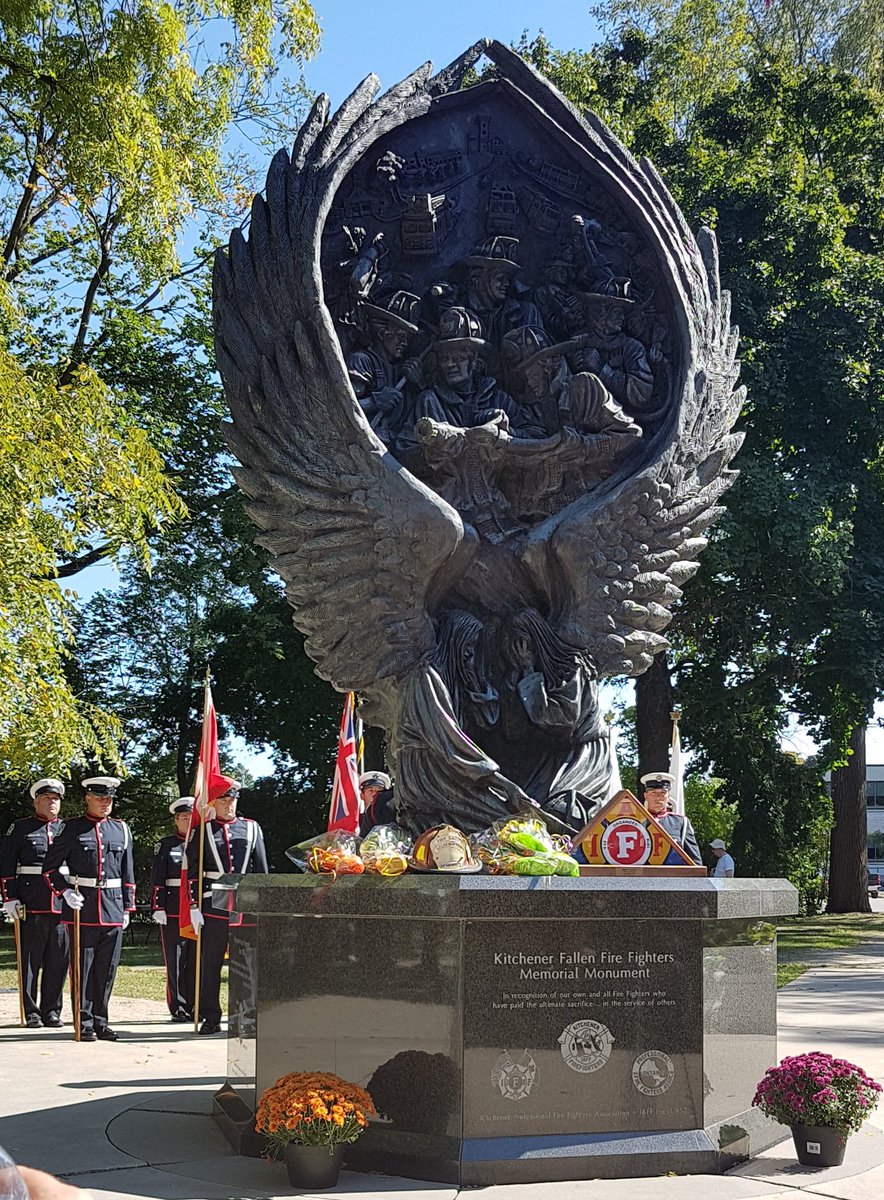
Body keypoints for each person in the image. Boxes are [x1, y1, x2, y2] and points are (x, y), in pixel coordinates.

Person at [42, 777, 135, 1042]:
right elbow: (49, 867)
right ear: (88, 798)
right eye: (100, 798)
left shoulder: (122, 830)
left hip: (113, 907)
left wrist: (127, 907)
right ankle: (83, 1022)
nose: (106, 803)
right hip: (83, 908)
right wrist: (65, 891)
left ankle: (101, 1021)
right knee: (83, 970)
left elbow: (127, 872)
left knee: (107, 971)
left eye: (109, 799)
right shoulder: (71, 829)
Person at [187, 778, 269, 1036]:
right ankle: (210, 1016)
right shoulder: (203, 832)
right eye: (223, 800)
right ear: (214, 803)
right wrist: (193, 904)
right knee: (210, 963)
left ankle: (246, 1016)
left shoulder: (252, 829)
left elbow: (262, 870)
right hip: (213, 905)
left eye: (231, 800)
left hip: (244, 905)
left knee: (246, 964)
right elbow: (192, 872)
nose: (228, 804)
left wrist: (262, 905)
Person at [0, 778, 70, 1028]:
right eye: (46, 799)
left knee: (58, 960)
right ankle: (31, 1011)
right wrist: (9, 897)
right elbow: (6, 864)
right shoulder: (20, 828)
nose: (52, 803)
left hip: (62, 904)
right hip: (32, 902)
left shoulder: (67, 828)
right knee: (30, 960)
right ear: (35, 801)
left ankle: (52, 1010)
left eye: (56, 799)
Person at [150, 797, 197, 1022]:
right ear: (176, 820)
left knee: (195, 959)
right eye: (184, 817)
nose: (188, 821)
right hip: (172, 910)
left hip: (196, 910)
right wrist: (158, 907)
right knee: (175, 959)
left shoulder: (201, 844)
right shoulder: (167, 845)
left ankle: (195, 1003)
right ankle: (177, 1005)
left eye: (191, 817)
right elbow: (157, 878)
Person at [638, 771, 702, 866]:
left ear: (668, 797)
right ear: (645, 796)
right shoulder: (637, 821)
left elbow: (695, 862)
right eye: (653, 793)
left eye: (663, 793)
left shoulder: (681, 823)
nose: (657, 798)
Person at [358, 771, 395, 835]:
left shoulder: (389, 817)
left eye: (379, 791)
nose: (375, 794)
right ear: (362, 796)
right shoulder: (356, 821)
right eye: (371, 791)